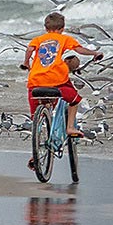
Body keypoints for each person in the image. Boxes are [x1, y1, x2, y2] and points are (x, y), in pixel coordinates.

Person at [24, 11, 102, 140]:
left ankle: (36, 152)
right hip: (56, 81)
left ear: (45, 28)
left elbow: (29, 50)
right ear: (62, 29)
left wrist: (26, 63)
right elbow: (79, 49)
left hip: (35, 82)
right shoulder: (64, 38)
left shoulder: (37, 39)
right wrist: (94, 53)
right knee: (75, 100)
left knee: (35, 120)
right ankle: (70, 127)